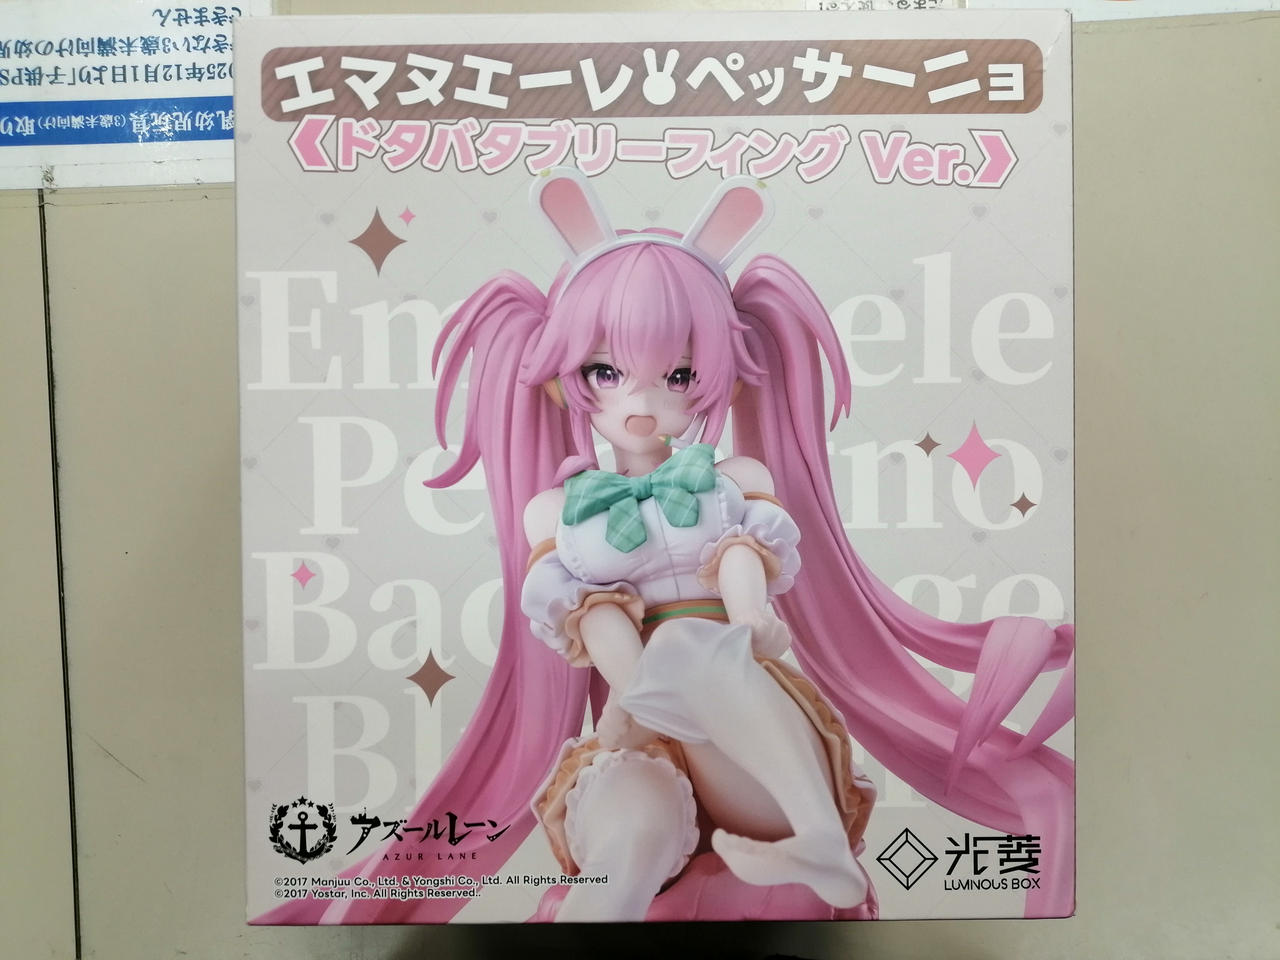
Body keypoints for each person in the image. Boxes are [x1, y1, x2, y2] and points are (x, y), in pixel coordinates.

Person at [262, 169, 1074, 925]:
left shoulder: (734, 479)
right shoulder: (556, 511)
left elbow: (743, 558)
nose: (641, 402)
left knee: (689, 642)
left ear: (718, 373)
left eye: (677, 376)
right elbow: (588, 613)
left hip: (746, 719)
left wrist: (749, 621)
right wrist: (636, 691)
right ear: (567, 378)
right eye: (608, 372)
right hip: (640, 720)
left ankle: (819, 838)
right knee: (629, 830)